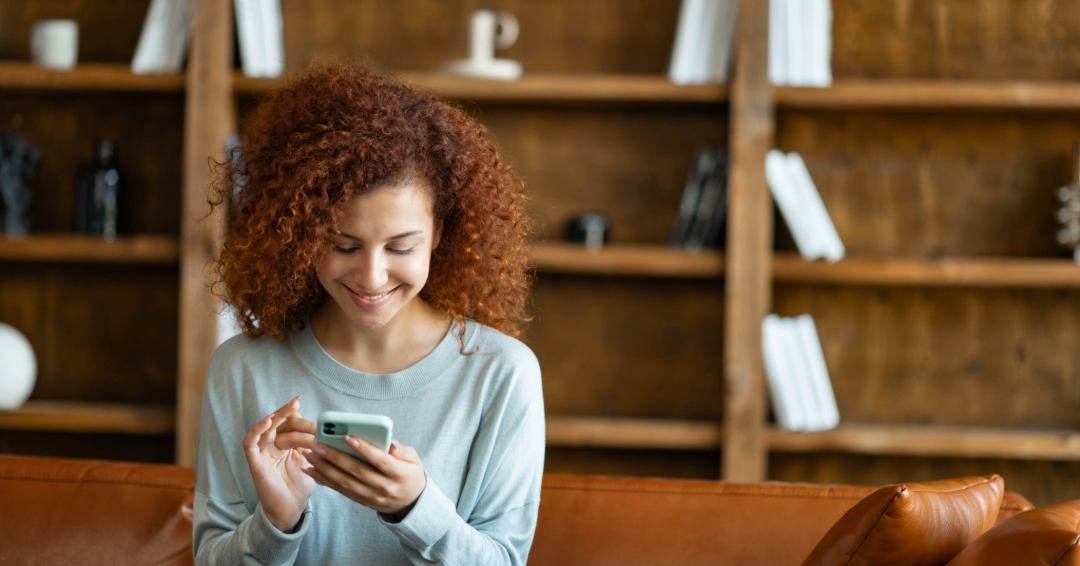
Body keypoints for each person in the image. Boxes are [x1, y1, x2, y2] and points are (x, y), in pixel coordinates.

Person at [193, 65, 544, 565]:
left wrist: (415, 509)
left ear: (440, 232)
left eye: (401, 246)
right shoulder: (241, 369)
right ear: (303, 235)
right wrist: (275, 523)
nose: (372, 277)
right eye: (343, 244)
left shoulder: (502, 374)